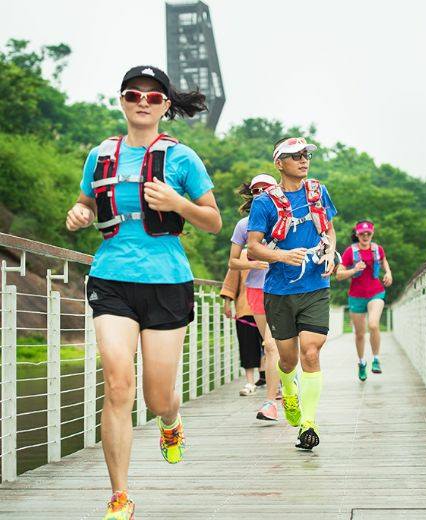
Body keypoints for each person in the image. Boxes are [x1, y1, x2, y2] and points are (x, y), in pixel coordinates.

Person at [66, 65, 221, 520]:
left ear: (165, 107)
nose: (143, 102)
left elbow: (212, 221)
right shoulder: (101, 155)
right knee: (117, 384)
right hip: (112, 276)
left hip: (167, 281)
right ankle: (119, 496)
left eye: (154, 97)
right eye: (134, 94)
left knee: (157, 398)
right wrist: (77, 213)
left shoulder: (183, 158)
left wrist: (179, 204)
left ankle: (170, 423)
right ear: (122, 100)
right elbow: (87, 203)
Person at [247, 137, 337, 449]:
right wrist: (283, 256)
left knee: (311, 351)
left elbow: (330, 229)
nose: (303, 160)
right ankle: (288, 390)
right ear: (279, 163)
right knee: (287, 359)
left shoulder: (318, 191)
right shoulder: (264, 203)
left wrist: (330, 252)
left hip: (315, 285)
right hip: (279, 290)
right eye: (294, 156)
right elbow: (253, 246)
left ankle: (308, 424)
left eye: (305, 155)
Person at [228, 174, 281, 420]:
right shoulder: (244, 225)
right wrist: (257, 263)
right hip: (256, 289)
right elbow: (233, 261)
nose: (261, 193)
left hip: (284, 287)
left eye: (266, 189)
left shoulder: (287, 220)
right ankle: (274, 399)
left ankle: (282, 391)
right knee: (270, 344)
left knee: (281, 346)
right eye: (257, 190)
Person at [336, 220, 393, 381]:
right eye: (362, 233)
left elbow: (383, 261)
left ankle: (376, 359)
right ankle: (361, 362)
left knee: (373, 324)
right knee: (360, 334)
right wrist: (354, 270)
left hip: (376, 292)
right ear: (357, 234)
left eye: (368, 233)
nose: (365, 236)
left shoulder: (377, 249)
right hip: (356, 296)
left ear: (372, 234)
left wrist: (388, 273)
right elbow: (339, 275)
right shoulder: (350, 252)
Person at [221, 249, 263, 396]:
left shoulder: (276, 249)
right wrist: (227, 303)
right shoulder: (241, 255)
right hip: (246, 308)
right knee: (247, 345)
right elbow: (231, 280)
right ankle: (250, 381)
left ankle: (269, 379)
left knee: (271, 346)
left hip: (270, 308)